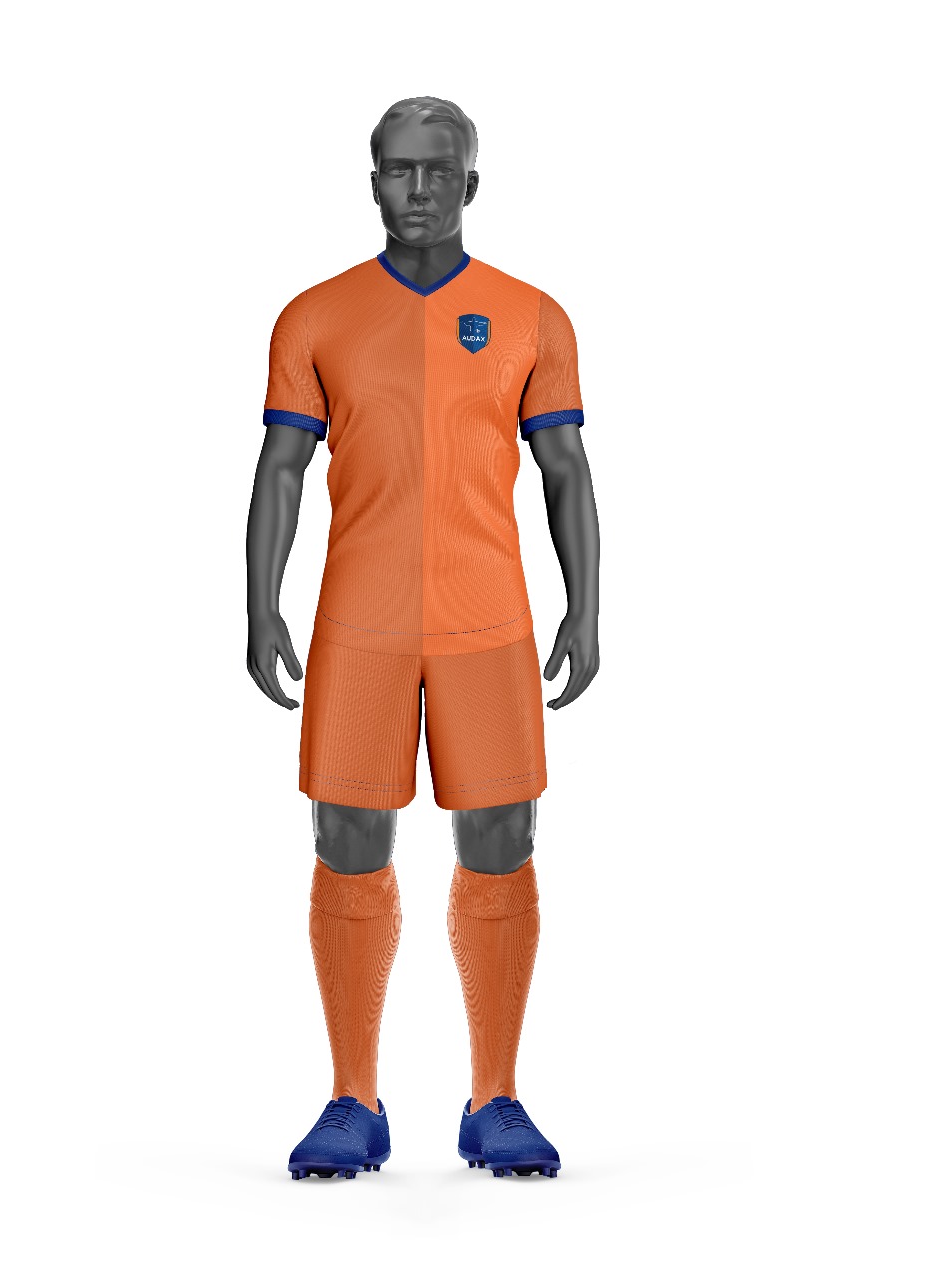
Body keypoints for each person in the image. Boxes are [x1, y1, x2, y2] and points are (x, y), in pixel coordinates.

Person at [247, 96, 600, 1180]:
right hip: (358, 620)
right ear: (371, 182)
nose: (416, 189)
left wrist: (586, 606)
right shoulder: (314, 317)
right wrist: (259, 602)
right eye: (397, 170)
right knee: (346, 836)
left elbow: (565, 469)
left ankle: (495, 1097)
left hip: (488, 619)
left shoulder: (533, 316)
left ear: (470, 185)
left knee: (502, 836)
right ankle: (353, 1097)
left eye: (437, 171)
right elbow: (281, 467)